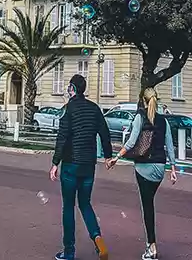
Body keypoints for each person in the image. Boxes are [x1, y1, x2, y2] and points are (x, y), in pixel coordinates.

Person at [106, 88, 178, 260]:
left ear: (144, 101)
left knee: (147, 207)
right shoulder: (164, 121)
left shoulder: (140, 117)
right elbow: (169, 145)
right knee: (149, 203)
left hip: (143, 167)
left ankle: (151, 246)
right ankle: (150, 244)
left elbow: (131, 142)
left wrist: (116, 157)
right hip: (159, 168)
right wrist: (173, 169)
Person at [50, 74, 112, 260]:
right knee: (85, 203)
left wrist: (55, 163)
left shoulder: (68, 109)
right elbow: (105, 133)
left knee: (68, 207)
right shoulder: (94, 108)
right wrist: (108, 156)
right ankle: (97, 238)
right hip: (88, 165)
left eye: (69, 87)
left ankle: (69, 252)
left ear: (73, 89)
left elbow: (62, 137)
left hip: (70, 164)